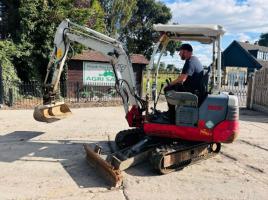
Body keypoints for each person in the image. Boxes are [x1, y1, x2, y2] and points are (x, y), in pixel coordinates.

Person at [164, 43, 204, 123]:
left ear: (185, 51)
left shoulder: (189, 62)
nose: (179, 54)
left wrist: (170, 84)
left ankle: (171, 116)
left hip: (191, 91)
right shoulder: (194, 59)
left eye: (180, 51)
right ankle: (173, 113)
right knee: (173, 87)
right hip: (195, 89)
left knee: (167, 89)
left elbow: (182, 79)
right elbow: (183, 76)